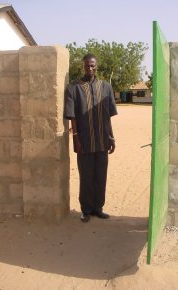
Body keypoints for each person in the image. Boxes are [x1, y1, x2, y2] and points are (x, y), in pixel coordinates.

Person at [64, 53, 117, 222]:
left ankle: (98, 208)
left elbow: (108, 115)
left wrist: (111, 137)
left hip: (102, 140)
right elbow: (72, 116)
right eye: (87, 65)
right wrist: (76, 139)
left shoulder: (106, 87)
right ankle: (85, 209)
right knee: (86, 176)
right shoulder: (74, 88)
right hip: (84, 142)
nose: (90, 68)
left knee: (101, 175)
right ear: (83, 66)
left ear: (97, 66)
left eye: (93, 65)